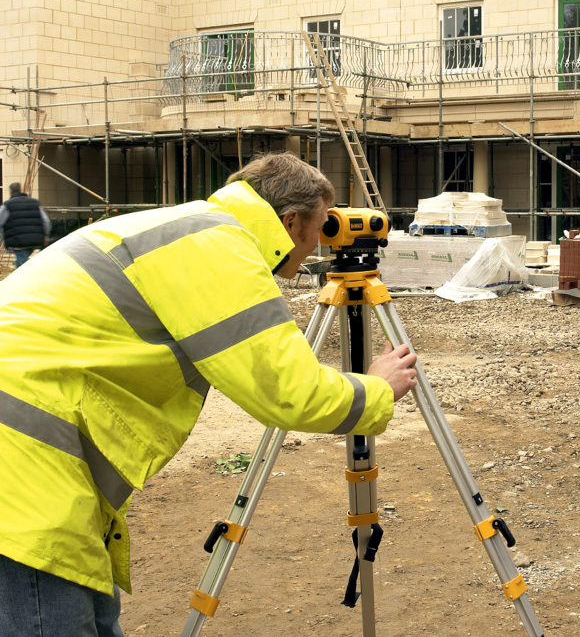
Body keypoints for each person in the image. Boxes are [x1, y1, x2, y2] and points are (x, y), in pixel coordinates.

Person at [0, 152, 418, 637]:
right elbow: (287, 391)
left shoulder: (193, 227)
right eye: (321, 226)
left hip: (37, 451)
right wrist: (378, 389)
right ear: (289, 221)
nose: (321, 245)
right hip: (24, 461)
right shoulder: (221, 247)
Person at [0, 182, 51, 269]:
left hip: (18, 241)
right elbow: (46, 221)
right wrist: (45, 236)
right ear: (20, 190)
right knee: (26, 261)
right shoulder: (35, 203)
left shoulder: (7, 205)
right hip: (36, 240)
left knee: (21, 264)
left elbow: (1, 221)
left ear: (10, 192)